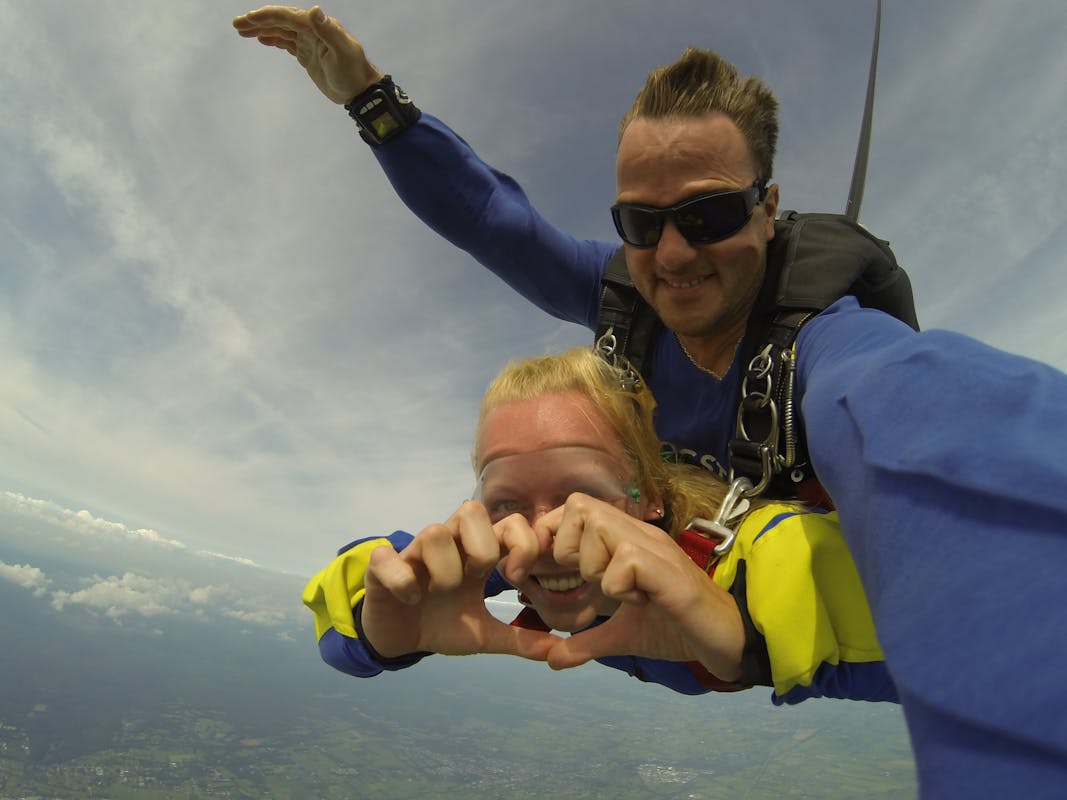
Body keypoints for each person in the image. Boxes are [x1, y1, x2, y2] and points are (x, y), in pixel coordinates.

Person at [234, 7, 1067, 796]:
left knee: (782, 566)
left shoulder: (826, 345)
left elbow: (934, 426)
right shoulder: (619, 307)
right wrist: (372, 102)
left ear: (768, 209)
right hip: (662, 556)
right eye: (641, 222)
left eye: (707, 214)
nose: (671, 252)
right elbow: (493, 219)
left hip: (755, 572)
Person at [303, 346, 896, 705]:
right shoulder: (503, 557)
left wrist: (748, 625)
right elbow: (357, 584)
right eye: (506, 502)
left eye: (582, 495)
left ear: (650, 501)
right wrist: (373, 629)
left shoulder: (754, 559)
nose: (545, 538)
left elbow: (947, 624)